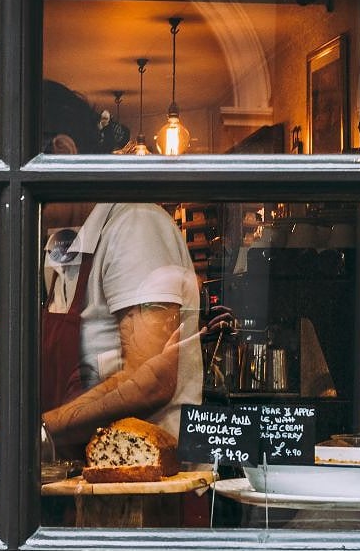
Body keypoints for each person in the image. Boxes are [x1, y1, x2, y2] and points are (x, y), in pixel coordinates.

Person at [32, 82, 232, 457]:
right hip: (83, 469)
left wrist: (35, 431)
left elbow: (150, 380)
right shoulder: (63, 242)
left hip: (144, 476)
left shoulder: (135, 226)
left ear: (63, 152)